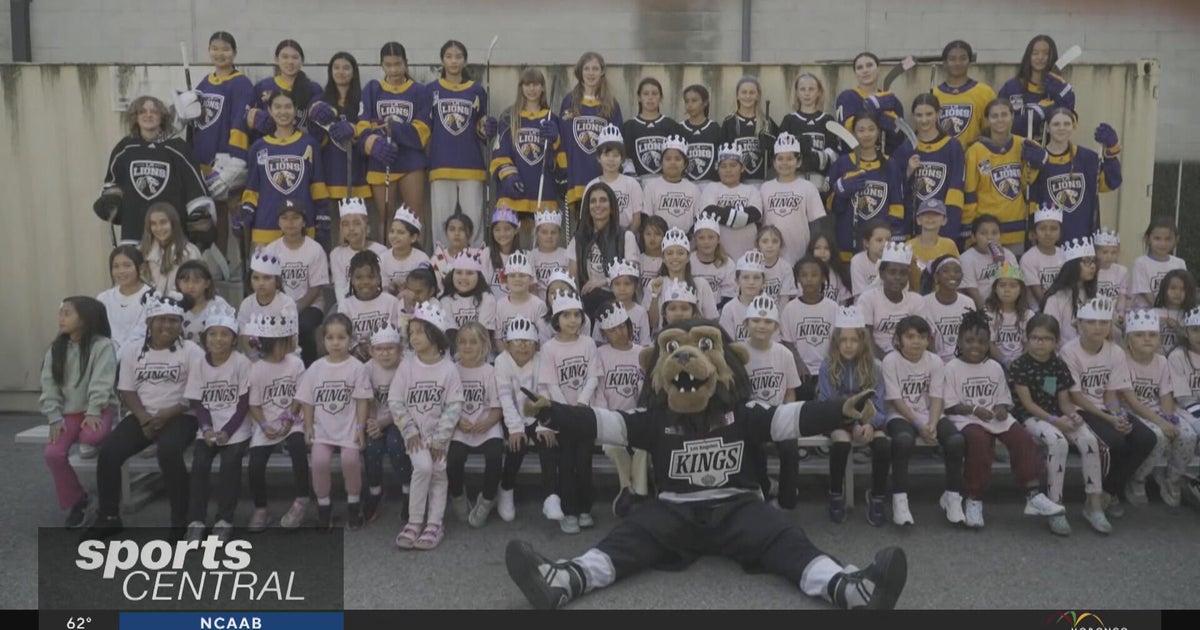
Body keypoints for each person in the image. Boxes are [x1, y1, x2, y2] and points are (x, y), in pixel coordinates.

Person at [508, 322, 908, 611]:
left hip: (739, 507)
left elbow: (793, 417)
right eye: (673, 352)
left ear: (726, 366)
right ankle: (564, 581)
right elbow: (604, 424)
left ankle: (849, 590)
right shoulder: (653, 418)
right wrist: (555, 414)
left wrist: (841, 408)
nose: (685, 360)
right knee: (628, 537)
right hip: (674, 510)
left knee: (786, 538)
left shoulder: (743, 413)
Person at [82, 290, 201, 540]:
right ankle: (109, 517)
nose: (167, 325)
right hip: (141, 415)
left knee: (169, 452)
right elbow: (126, 390)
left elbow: (195, 394)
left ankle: (180, 520)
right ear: (149, 323)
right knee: (110, 453)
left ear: (181, 324)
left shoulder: (191, 351)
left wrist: (165, 415)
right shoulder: (133, 351)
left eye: (173, 320)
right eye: (161, 320)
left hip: (181, 415)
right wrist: (145, 418)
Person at [943, 309, 1065, 529]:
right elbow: (950, 406)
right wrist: (975, 409)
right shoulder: (951, 368)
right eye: (969, 341)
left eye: (981, 342)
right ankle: (974, 498)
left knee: (1021, 438)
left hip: (994, 417)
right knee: (979, 441)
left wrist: (1000, 409)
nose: (975, 346)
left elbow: (1003, 399)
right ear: (959, 342)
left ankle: (1033, 495)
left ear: (989, 344)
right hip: (966, 419)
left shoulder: (993, 367)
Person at [1009, 313, 1110, 535]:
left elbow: (1064, 401)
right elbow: (1028, 404)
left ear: (1056, 341)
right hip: (1031, 418)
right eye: (1034, 337)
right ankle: (1056, 506)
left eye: (1046, 338)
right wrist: (1056, 421)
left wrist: (1073, 416)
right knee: (1058, 443)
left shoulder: (1058, 365)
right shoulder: (1019, 366)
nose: (1040, 343)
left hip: (1057, 415)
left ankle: (1094, 504)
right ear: (1027, 339)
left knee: (1089, 440)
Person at [1060, 297, 1157, 518]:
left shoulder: (1115, 351)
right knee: (1116, 443)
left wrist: (1117, 414)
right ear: (1080, 324)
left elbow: (1111, 393)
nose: (1098, 327)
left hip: (1105, 409)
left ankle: (1107, 491)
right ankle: (1103, 494)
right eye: (1091, 322)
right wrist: (1110, 420)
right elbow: (1075, 395)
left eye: (1103, 322)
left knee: (1146, 438)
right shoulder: (1069, 351)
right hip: (1082, 409)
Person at [174, 31, 255, 257]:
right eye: (215, 49)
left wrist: (235, 165)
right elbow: (194, 125)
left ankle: (245, 267)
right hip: (204, 162)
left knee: (236, 213)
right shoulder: (203, 83)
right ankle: (220, 268)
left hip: (228, 162)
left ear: (235, 53)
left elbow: (240, 122)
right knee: (213, 217)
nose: (220, 54)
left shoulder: (241, 84)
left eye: (225, 49)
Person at [391, 301, 463, 550]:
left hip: (439, 436)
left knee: (439, 472)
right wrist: (409, 430)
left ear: (435, 334)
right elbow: (395, 400)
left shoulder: (449, 369)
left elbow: (454, 405)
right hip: (415, 435)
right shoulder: (407, 365)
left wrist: (441, 439)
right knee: (422, 467)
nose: (414, 337)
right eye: (411, 333)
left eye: (420, 332)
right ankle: (414, 521)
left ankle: (435, 523)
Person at [41, 297, 116, 528]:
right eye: (60, 313)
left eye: (67, 314)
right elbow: (49, 383)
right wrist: (54, 415)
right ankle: (78, 499)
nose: (61, 318)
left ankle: (96, 441)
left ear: (85, 319)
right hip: (68, 413)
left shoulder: (102, 346)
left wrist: (94, 411)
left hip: (97, 409)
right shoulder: (57, 348)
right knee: (53, 454)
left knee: (91, 436)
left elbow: (101, 382)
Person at [94, 96, 212, 244]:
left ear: (162, 116)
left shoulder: (178, 148)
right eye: (142, 111)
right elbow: (112, 183)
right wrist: (111, 201)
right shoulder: (124, 148)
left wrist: (199, 218)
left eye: (154, 111)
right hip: (133, 232)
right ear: (135, 117)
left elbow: (194, 187)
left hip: (172, 237)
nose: (148, 115)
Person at [881, 316, 963, 526]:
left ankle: (952, 496)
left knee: (955, 441)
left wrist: (933, 423)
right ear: (898, 340)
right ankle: (900, 500)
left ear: (928, 340)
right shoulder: (890, 361)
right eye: (910, 336)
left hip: (930, 414)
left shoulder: (934, 361)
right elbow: (896, 400)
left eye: (922, 337)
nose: (916, 341)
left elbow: (937, 396)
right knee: (903, 441)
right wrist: (919, 425)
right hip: (900, 415)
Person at [297, 313, 372, 531]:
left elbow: (361, 401)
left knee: (350, 460)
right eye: (330, 338)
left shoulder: (357, 367)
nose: (336, 342)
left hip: (348, 428)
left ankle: (353, 504)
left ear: (350, 339)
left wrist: (360, 428)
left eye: (341, 337)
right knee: (319, 462)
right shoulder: (316, 368)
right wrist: (308, 426)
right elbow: (308, 401)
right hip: (323, 429)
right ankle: (324, 507)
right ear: (323, 340)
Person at [184, 303, 251, 542]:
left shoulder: (241, 363)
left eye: (224, 334)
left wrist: (227, 431)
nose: (218, 339)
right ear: (205, 337)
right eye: (213, 334)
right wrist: (207, 429)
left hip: (237, 428)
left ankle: (224, 519)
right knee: (200, 463)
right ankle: (196, 520)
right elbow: (198, 402)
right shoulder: (199, 364)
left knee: (230, 463)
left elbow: (244, 403)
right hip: (209, 429)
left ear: (234, 339)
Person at [818, 305, 889, 525]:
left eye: (854, 340)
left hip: (866, 420)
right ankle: (836, 492)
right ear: (836, 342)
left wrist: (869, 424)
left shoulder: (875, 367)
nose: (848, 345)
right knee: (841, 442)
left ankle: (877, 496)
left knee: (882, 444)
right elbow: (827, 405)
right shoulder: (828, 366)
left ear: (862, 342)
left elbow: (879, 405)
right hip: (836, 418)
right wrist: (852, 425)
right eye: (843, 340)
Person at [538, 288, 599, 534]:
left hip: (584, 414)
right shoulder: (549, 348)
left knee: (584, 463)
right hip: (562, 415)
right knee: (566, 463)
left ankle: (585, 508)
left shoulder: (589, 343)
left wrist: (581, 404)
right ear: (556, 320)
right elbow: (550, 383)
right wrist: (565, 410)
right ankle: (569, 510)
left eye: (576, 315)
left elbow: (593, 377)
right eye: (566, 315)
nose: (572, 320)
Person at [1122, 310, 1198, 508]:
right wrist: (1162, 423)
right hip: (1131, 413)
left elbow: (1165, 395)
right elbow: (1132, 402)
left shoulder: (1162, 361)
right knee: (1158, 435)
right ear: (1128, 339)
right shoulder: (1122, 361)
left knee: (1187, 435)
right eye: (1139, 335)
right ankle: (1138, 479)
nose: (1147, 339)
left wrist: (1169, 419)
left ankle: (1172, 478)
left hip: (1157, 411)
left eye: (1152, 334)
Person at [238, 91, 330, 250]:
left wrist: (322, 216)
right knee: (266, 275)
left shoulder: (309, 144)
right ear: (269, 110)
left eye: (288, 107)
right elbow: (252, 189)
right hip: (265, 228)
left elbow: (317, 186)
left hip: (302, 227)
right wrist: (246, 212)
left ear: (295, 110)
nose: (283, 112)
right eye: (277, 107)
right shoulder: (258, 147)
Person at [244, 309, 310, 530]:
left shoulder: (295, 364)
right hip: (266, 422)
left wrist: (290, 418)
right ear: (271, 344)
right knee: (255, 463)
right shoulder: (256, 369)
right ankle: (261, 508)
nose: (291, 344)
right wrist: (264, 425)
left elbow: (300, 395)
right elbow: (253, 404)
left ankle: (302, 498)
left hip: (292, 419)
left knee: (298, 449)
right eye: (285, 341)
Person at [359, 42, 432, 238]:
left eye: (398, 64)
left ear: (406, 64)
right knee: (386, 215)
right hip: (381, 160)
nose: (394, 70)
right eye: (388, 65)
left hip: (410, 160)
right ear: (382, 65)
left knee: (414, 215)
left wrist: (393, 128)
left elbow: (423, 131)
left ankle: (419, 261)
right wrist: (374, 143)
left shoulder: (419, 91)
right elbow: (363, 125)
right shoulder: (372, 89)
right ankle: (385, 262)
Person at [428, 40, 495, 248]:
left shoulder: (476, 90)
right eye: (449, 56)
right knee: (441, 221)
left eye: (458, 56)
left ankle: (476, 262)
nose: (454, 61)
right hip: (441, 163)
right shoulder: (431, 90)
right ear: (442, 60)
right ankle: (441, 266)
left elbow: (481, 127)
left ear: (465, 61)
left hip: (471, 165)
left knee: (474, 219)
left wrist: (487, 128)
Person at [739, 296, 803, 510]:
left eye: (767, 322)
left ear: (776, 326)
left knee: (790, 447)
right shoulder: (739, 353)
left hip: (778, 416)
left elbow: (790, 391)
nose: (761, 326)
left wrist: (787, 419)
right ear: (746, 324)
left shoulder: (784, 353)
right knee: (752, 448)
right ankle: (762, 491)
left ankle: (787, 499)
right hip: (751, 418)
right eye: (756, 320)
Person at [963, 99, 1047, 256]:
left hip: (1017, 228)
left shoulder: (1024, 145)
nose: (1000, 119)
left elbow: (1024, 185)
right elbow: (970, 192)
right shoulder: (975, 151)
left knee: (1014, 277)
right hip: (986, 231)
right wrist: (968, 228)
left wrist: (1035, 165)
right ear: (987, 120)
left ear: (1012, 117)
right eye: (994, 116)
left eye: (1004, 115)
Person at [495, 316, 556, 523]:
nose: (523, 348)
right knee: (517, 445)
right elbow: (505, 397)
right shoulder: (502, 362)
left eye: (528, 343)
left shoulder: (540, 361)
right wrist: (515, 428)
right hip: (511, 416)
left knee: (547, 443)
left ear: (536, 345)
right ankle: (506, 488)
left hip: (536, 416)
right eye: (517, 343)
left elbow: (544, 393)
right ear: (507, 344)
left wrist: (543, 426)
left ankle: (550, 496)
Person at [491, 68, 564, 239]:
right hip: (513, 195)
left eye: (536, 84)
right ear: (521, 87)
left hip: (543, 193)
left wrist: (556, 140)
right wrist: (509, 177)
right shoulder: (509, 117)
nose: (532, 89)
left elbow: (560, 159)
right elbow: (499, 154)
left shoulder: (551, 118)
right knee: (514, 248)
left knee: (541, 249)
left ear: (543, 88)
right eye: (527, 84)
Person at [1030, 108, 1122, 244]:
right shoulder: (1038, 159)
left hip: (1083, 239)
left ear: (1073, 126)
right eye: (1056, 124)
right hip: (1049, 242)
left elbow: (1112, 183)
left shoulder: (1088, 158)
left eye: (1067, 124)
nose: (1062, 128)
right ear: (1047, 128)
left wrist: (1112, 152)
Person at [593, 301, 651, 516]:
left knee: (643, 447)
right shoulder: (600, 354)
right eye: (611, 330)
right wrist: (606, 417)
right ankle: (627, 488)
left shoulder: (642, 352)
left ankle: (640, 492)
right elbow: (597, 391)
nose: (618, 333)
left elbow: (647, 391)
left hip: (637, 418)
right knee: (614, 447)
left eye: (621, 327)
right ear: (604, 333)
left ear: (628, 326)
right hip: (610, 418)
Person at [447, 323, 505, 527]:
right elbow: (446, 404)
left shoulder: (490, 371)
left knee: (495, 455)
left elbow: (497, 407)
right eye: (462, 342)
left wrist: (488, 421)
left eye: (473, 342)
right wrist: (456, 420)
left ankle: (487, 499)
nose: (467, 346)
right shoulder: (452, 370)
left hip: (486, 425)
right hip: (460, 426)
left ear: (484, 345)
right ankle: (457, 495)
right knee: (454, 457)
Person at [827, 111, 904, 256]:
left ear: (878, 132)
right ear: (854, 134)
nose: (866, 134)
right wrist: (842, 189)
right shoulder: (843, 163)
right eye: (861, 130)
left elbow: (897, 206)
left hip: (880, 247)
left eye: (871, 129)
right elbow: (832, 207)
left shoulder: (890, 164)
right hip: (848, 242)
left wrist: (892, 238)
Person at [560, 52, 623, 225]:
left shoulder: (610, 104)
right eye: (586, 68)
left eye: (595, 68)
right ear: (580, 72)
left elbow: (616, 144)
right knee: (582, 230)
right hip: (577, 177)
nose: (591, 73)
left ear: (602, 71)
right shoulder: (569, 102)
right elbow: (564, 138)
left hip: (602, 176)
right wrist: (563, 169)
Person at [892, 95, 966, 243]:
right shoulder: (905, 148)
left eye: (929, 114)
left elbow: (956, 189)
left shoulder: (952, 146)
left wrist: (948, 228)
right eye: (919, 115)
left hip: (943, 228)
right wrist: (908, 173)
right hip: (914, 227)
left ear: (938, 114)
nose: (924, 120)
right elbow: (896, 190)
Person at [264, 199, 330, 365]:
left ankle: (308, 369)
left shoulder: (315, 249)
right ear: (279, 222)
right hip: (278, 304)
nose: (290, 222)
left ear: (303, 222)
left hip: (310, 305)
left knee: (303, 327)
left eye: (295, 218)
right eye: (285, 218)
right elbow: (268, 283)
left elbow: (316, 287)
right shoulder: (271, 250)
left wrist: (296, 307)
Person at [308, 52, 370, 216]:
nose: (341, 72)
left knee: (354, 222)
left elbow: (369, 129)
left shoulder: (363, 99)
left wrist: (355, 130)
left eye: (346, 68)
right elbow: (313, 136)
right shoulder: (320, 100)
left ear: (354, 72)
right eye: (336, 68)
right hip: (330, 169)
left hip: (357, 171)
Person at [568, 182, 641, 318]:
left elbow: (633, 273)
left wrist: (604, 281)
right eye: (593, 201)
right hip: (587, 302)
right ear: (587, 207)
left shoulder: (625, 236)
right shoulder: (578, 239)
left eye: (603, 200)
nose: (598, 205)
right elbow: (573, 279)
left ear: (612, 207)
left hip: (618, 301)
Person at [361, 324, 410, 524]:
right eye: (379, 349)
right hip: (375, 419)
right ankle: (375, 491)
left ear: (400, 350)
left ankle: (408, 492)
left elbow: (407, 403)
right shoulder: (367, 368)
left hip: (401, 419)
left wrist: (382, 423)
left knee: (396, 445)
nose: (385, 353)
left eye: (390, 348)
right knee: (371, 448)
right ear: (371, 351)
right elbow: (366, 399)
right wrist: (373, 423)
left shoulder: (406, 367)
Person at [759, 132, 826, 263]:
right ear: (774, 162)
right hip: (771, 257)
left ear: (798, 162)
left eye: (790, 159)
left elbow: (815, 224)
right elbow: (760, 224)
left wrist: (812, 252)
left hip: (801, 255)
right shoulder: (765, 188)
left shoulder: (808, 187)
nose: (785, 163)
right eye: (780, 158)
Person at [997, 35, 1077, 143]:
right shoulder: (1012, 87)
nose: (1040, 57)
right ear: (1028, 56)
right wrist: (1037, 113)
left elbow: (1070, 122)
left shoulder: (1059, 87)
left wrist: (1064, 98)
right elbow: (999, 125)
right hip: (1014, 152)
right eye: (1035, 53)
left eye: (1046, 53)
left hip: (1049, 154)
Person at [781, 256, 838, 400]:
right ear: (798, 279)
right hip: (801, 371)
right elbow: (788, 343)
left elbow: (837, 342)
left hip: (827, 368)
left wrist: (828, 368)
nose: (809, 279)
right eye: (804, 275)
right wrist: (799, 365)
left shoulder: (833, 307)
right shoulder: (790, 309)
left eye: (814, 275)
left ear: (823, 278)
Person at [700, 143, 765, 259]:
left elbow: (755, 214)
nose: (728, 170)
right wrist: (741, 215)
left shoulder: (752, 190)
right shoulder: (711, 188)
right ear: (718, 169)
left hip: (748, 254)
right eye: (723, 166)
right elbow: (708, 212)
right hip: (718, 255)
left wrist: (722, 212)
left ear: (742, 168)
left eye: (733, 165)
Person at [778, 72, 840, 192]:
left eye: (811, 89)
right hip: (793, 182)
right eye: (802, 89)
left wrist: (818, 158)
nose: (807, 93)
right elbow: (781, 151)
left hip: (820, 184)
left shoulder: (827, 120)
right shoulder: (789, 120)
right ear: (797, 93)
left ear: (819, 92)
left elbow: (834, 153)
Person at [858, 243, 921, 358]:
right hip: (875, 357)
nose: (897, 277)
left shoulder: (916, 300)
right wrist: (888, 361)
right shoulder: (868, 298)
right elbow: (866, 338)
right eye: (892, 272)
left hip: (908, 356)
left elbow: (919, 336)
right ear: (882, 274)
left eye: (903, 273)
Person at [836, 52, 904, 155]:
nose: (865, 70)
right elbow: (847, 131)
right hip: (854, 163)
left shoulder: (892, 101)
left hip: (884, 163)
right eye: (859, 67)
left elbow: (900, 136)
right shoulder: (847, 97)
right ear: (855, 73)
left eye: (869, 65)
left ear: (878, 69)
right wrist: (875, 108)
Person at [932, 40, 996, 149]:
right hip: (942, 157)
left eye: (963, 58)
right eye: (952, 59)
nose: (957, 63)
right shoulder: (933, 93)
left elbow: (993, 129)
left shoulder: (985, 92)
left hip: (973, 157)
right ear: (945, 62)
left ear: (969, 61)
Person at [330, 197, 390, 313]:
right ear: (341, 230)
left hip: (377, 303)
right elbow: (339, 287)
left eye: (357, 223)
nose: (351, 229)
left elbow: (384, 286)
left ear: (367, 228)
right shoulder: (336, 254)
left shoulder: (381, 251)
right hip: (348, 305)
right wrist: (345, 311)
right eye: (346, 224)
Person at [236, 251, 299, 360]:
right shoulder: (246, 304)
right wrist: (255, 358)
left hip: (283, 356)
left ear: (277, 281)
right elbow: (244, 337)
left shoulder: (286, 303)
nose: (261, 283)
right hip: (253, 357)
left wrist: (271, 362)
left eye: (267, 278)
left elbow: (291, 341)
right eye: (256, 278)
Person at [341, 249, 402, 361]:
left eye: (370, 277)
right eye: (359, 277)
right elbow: (344, 335)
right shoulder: (346, 305)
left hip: (386, 354)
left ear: (379, 279)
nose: (365, 282)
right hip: (357, 357)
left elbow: (398, 332)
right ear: (352, 281)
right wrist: (356, 348)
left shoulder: (391, 302)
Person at [1041, 237, 1099, 348]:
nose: (1092, 266)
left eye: (1094, 261)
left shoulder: (1095, 295)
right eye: (1087, 261)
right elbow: (1051, 333)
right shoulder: (1056, 299)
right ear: (1073, 265)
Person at [623, 77, 683, 182]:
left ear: (661, 97)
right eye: (646, 94)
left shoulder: (671, 125)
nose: (650, 98)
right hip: (638, 184)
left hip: (665, 182)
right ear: (639, 97)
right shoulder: (629, 126)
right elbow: (626, 158)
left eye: (654, 94)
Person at [722, 76, 778, 186]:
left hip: (762, 182)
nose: (748, 96)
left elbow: (779, 152)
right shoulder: (730, 122)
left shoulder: (766, 122)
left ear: (758, 96)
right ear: (737, 95)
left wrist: (772, 146)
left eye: (752, 92)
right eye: (744, 92)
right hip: (737, 183)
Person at [640, 135, 701, 234]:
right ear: (661, 163)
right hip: (658, 241)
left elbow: (698, 220)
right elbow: (647, 219)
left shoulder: (694, 189)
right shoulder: (651, 187)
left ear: (685, 164)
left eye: (677, 159)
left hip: (685, 242)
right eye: (668, 159)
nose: (672, 162)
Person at [919, 255, 974, 363]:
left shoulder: (968, 302)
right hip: (934, 361)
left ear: (962, 276)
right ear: (936, 277)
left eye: (957, 271)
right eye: (946, 271)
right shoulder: (924, 303)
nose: (952, 275)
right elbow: (927, 339)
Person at [97, 245, 151, 357]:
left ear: (141, 268)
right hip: (107, 359)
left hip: (139, 358)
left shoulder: (151, 297)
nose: (121, 271)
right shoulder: (103, 298)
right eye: (116, 266)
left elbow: (142, 334)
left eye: (127, 265)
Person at [589, 125, 645, 231]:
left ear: (622, 158)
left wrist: (625, 239)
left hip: (627, 236)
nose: (611, 159)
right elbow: (587, 219)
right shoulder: (592, 186)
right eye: (606, 155)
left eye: (615, 155)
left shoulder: (632, 184)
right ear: (598, 158)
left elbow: (637, 219)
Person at [140, 203, 203, 294]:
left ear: (173, 223)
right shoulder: (142, 251)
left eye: (163, 222)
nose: (159, 228)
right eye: (153, 224)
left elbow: (195, 286)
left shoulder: (189, 252)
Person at [959, 214, 1019, 309]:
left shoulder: (1008, 254)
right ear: (974, 237)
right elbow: (972, 291)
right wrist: (987, 313)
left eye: (994, 233)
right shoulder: (966, 258)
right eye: (983, 233)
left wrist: (1002, 262)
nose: (989, 237)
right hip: (981, 308)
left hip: (1005, 306)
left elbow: (1016, 284)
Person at [985, 262, 1035, 367]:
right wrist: (1005, 361)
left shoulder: (1028, 315)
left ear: (1021, 290)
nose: (1007, 290)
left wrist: (1019, 363)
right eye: (1002, 285)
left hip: (1023, 363)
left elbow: (1028, 343)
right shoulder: (988, 313)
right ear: (995, 289)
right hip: (997, 364)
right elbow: (989, 344)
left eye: (1013, 286)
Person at [496, 251, 549, 350]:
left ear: (530, 279)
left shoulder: (539, 305)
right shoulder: (500, 305)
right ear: (506, 281)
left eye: (522, 275)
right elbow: (498, 339)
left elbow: (542, 341)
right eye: (512, 276)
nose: (517, 279)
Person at [1131, 217, 1187, 309]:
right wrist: (1163, 311)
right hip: (1147, 315)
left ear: (1176, 239)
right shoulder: (1141, 263)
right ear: (1148, 238)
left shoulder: (1180, 263)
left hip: (1174, 314)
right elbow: (1146, 295)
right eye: (1157, 239)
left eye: (1168, 239)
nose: (1162, 244)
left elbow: (1184, 292)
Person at [593, 257, 650, 347]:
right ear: (611, 287)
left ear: (635, 286)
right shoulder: (605, 310)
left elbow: (645, 343)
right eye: (617, 284)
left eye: (627, 283)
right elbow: (598, 342)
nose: (622, 288)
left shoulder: (641, 312)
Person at [905, 199, 960, 292]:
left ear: (944, 220)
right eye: (925, 214)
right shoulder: (908, 246)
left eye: (936, 214)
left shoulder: (949, 245)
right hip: (915, 299)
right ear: (918, 220)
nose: (930, 218)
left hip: (942, 298)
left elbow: (956, 273)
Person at [1020, 205, 1065, 305]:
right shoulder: (1028, 258)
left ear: (1060, 233)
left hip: (1063, 306)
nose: (1048, 233)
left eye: (1053, 229)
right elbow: (1039, 297)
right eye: (1042, 229)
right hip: (1038, 311)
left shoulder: (1065, 254)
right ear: (1034, 233)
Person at [679, 85, 723, 186]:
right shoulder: (680, 129)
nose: (690, 105)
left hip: (710, 185)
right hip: (686, 185)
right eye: (687, 101)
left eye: (694, 100)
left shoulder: (714, 128)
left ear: (705, 103)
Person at [1151, 269, 1196, 355]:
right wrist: (1153, 324)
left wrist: (1178, 329)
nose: (1177, 293)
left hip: (1182, 361)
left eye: (1183, 289)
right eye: (1173, 288)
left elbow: (1194, 341)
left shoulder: (1191, 315)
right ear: (1164, 289)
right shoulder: (1153, 313)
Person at [529, 208, 570, 299]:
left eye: (553, 232)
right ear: (537, 234)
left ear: (559, 234)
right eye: (544, 232)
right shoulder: (531, 256)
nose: (549, 236)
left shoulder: (566, 255)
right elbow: (532, 287)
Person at [757, 226, 797, 309]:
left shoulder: (785, 267)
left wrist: (778, 319)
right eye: (765, 241)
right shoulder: (753, 265)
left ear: (781, 244)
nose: (770, 245)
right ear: (758, 245)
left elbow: (784, 299)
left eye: (775, 241)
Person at [850, 221, 891, 298]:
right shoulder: (857, 261)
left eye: (888, 240)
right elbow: (861, 295)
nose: (885, 244)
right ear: (866, 243)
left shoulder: (894, 261)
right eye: (879, 240)